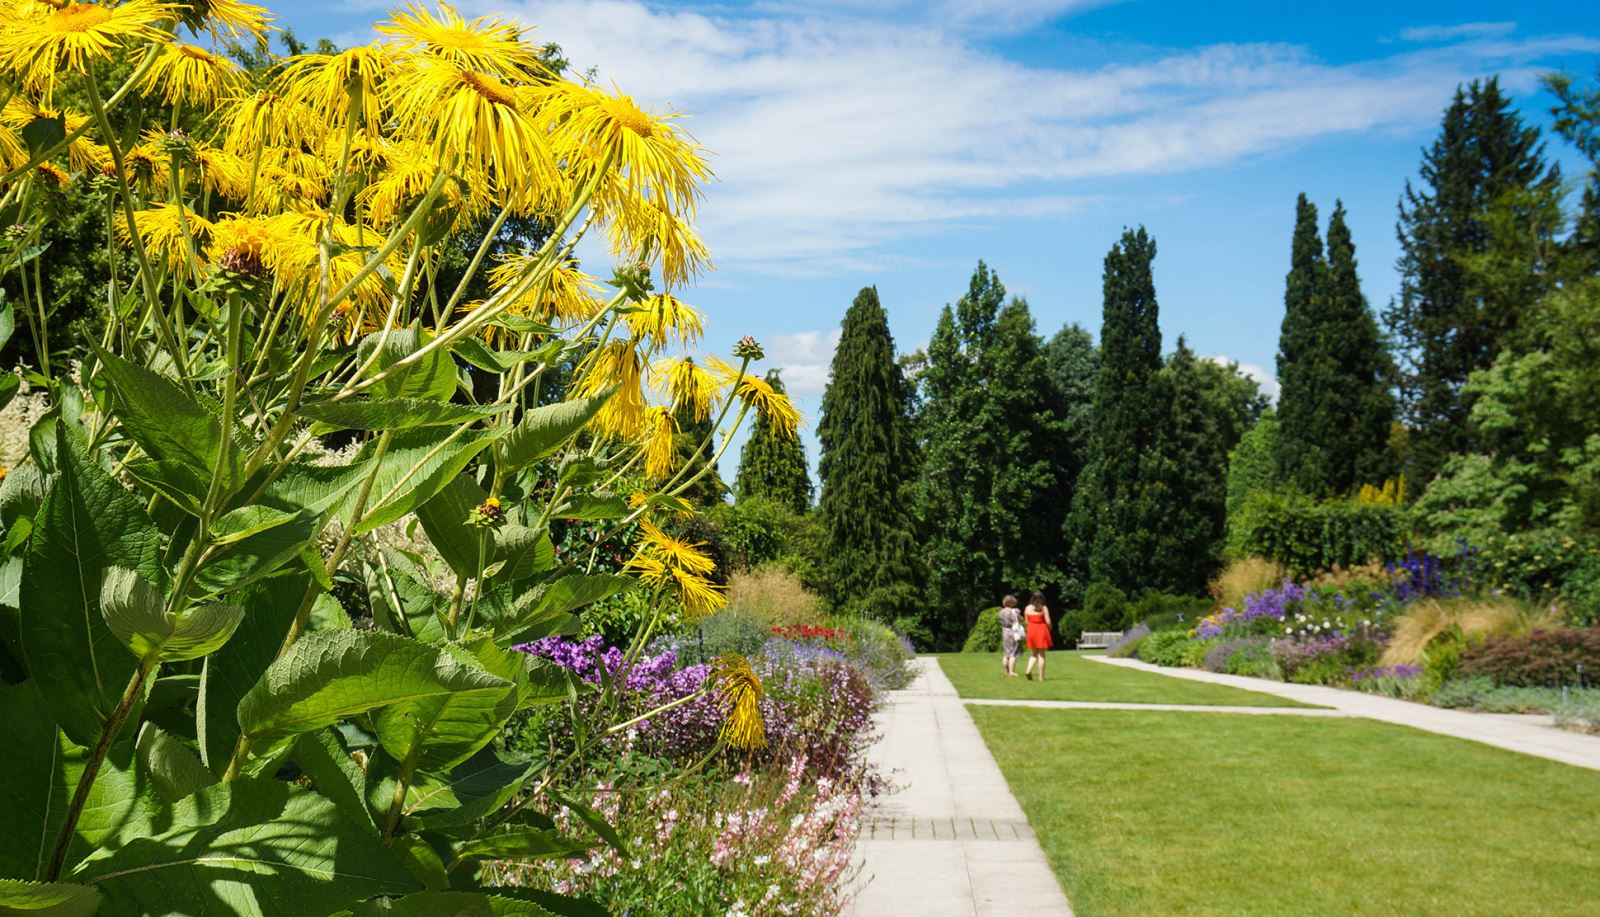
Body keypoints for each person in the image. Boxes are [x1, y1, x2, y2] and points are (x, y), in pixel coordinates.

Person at [1023, 591, 1053, 681]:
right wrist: (1049, 628)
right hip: (1041, 630)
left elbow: (1026, 622)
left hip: (1031, 630)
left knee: (1034, 654)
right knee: (1042, 655)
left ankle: (1028, 670)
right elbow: (1048, 622)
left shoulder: (1027, 608)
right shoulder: (1044, 608)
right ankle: (1041, 676)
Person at [996, 596, 1024, 677]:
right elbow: (1021, 619)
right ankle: (1012, 671)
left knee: (1006, 653)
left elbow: (999, 618)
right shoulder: (1014, 611)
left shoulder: (1001, 611)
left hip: (1005, 632)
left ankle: (1006, 671)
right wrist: (1018, 614)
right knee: (1013, 653)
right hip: (1013, 632)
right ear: (1012, 603)